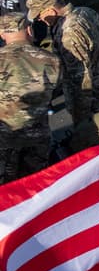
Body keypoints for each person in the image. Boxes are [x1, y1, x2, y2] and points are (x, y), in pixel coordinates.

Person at [27, 0, 99, 126]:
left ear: (50, 10)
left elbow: (81, 79)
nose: (40, 20)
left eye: (40, 16)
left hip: (96, 100)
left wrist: (82, 117)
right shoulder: (85, 12)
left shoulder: (69, 33)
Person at [0, 11, 61, 184]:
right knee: (36, 187)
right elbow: (56, 89)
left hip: (4, 140)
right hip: (37, 139)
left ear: (2, 34)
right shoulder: (50, 60)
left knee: (6, 193)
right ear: (29, 30)